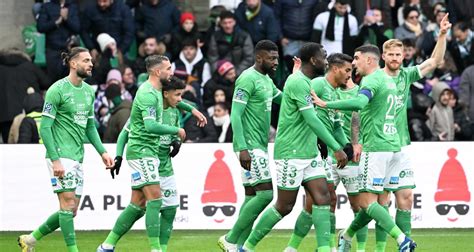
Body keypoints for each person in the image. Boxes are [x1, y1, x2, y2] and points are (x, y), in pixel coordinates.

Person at [241, 42, 348, 252]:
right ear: (314, 60)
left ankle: (325, 249)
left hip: (309, 152)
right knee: (284, 206)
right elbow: (312, 120)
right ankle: (247, 247)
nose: (327, 62)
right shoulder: (298, 82)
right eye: (324, 57)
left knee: (324, 197)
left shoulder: (304, 81)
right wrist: (336, 147)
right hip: (291, 153)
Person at [314, 44, 416, 252]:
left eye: (357, 58)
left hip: (376, 147)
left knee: (368, 203)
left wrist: (326, 104)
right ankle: (348, 235)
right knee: (375, 202)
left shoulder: (371, 80)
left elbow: (360, 104)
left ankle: (401, 239)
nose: (353, 62)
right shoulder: (388, 80)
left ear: (369, 60)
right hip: (393, 146)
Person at [18, 47, 115, 252]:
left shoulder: (89, 91)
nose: (91, 64)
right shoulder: (57, 90)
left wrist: (102, 152)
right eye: (86, 60)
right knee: (68, 203)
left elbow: (90, 126)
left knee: (71, 211)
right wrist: (55, 160)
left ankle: (30, 240)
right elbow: (45, 127)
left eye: (91, 61)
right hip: (60, 154)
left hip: (77, 155)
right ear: (73, 63)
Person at [374, 15, 450, 250]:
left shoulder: (406, 75)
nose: (396, 58)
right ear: (383, 57)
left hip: (402, 145)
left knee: (405, 196)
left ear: (403, 56)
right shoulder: (374, 79)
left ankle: (404, 245)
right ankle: (374, 245)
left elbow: (435, 61)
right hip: (379, 145)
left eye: (399, 54)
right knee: (381, 201)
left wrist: (442, 34)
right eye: (392, 55)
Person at [98, 77, 188, 252]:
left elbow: (176, 134)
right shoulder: (148, 108)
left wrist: (177, 142)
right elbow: (125, 133)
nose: (180, 99)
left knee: (164, 209)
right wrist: (118, 157)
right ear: (165, 93)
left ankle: (107, 245)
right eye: (177, 95)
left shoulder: (174, 112)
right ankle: (156, 249)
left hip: (164, 164)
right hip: (146, 158)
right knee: (153, 201)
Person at [284, 53, 359, 252]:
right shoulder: (317, 84)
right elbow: (307, 116)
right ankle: (322, 247)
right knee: (320, 199)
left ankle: (298, 248)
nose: (349, 76)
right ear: (335, 69)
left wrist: (346, 146)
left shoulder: (333, 93)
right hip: (312, 149)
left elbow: (334, 126)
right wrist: (332, 147)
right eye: (347, 70)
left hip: (323, 151)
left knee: (319, 201)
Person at [217, 40, 282, 251]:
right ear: (259, 58)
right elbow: (235, 114)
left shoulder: (266, 79)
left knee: (252, 196)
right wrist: (243, 148)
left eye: (277, 58)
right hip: (249, 146)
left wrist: (307, 97)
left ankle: (238, 246)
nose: (276, 62)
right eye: (272, 58)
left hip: (259, 145)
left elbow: (283, 98)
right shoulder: (246, 78)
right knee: (266, 194)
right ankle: (231, 238)